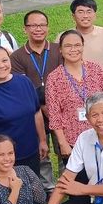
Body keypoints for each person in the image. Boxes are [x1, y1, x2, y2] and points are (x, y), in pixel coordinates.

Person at [0, 46, 47, 177]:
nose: (1, 65)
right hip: (3, 160)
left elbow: (36, 112)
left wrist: (42, 140)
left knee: (32, 191)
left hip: (30, 152)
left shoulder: (24, 82)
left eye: (4, 60)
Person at [10, 10, 63, 189]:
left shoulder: (58, 50)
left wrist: (54, 107)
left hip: (60, 111)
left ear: (47, 27)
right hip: (34, 113)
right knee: (41, 152)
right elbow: (22, 89)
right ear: (25, 29)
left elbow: (64, 80)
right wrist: (41, 106)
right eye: (33, 25)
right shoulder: (16, 57)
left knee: (64, 149)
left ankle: (66, 185)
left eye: (41, 25)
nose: (37, 29)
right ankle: (47, 188)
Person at [45, 30, 103, 166]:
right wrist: (63, 143)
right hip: (73, 142)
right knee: (79, 183)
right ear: (60, 50)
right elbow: (54, 114)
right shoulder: (54, 78)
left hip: (101, 135)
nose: (73, 49)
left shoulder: (96, 70)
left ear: (83, 47)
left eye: (77, 45)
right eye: (68, 46)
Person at [71, 0, 103, 68]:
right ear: (73, 16)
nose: (85, 16)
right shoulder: (64, 37)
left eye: (89, 12)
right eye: (80, 12)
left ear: (95, 15)